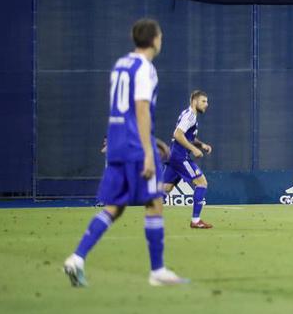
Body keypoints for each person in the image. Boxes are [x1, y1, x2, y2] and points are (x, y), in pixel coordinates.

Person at [63, 18, 188, 287]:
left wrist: (153, 141)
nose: (161, 40)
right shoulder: (146, 68)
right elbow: (141, 110)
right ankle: (157, 271)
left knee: (115, 206)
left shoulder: (121, 65)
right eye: (161, 36)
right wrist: (147, 150)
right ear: (154, 39)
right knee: (154, 202)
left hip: (118, 144)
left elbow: (126, 111)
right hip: (135, 147)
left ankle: (77, 257)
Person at [160, 90, 214, 228]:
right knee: (202, 183)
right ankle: (196, 221)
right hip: (180, 157)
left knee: (166, 188)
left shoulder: (188, 114)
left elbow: (187, 136)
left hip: (173, 156)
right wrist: (193, 149)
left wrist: (201, 145)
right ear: (194, 101)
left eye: (207, 101)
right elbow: (178, 134)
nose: (206, 104)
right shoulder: (190, 116)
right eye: (203, 101)